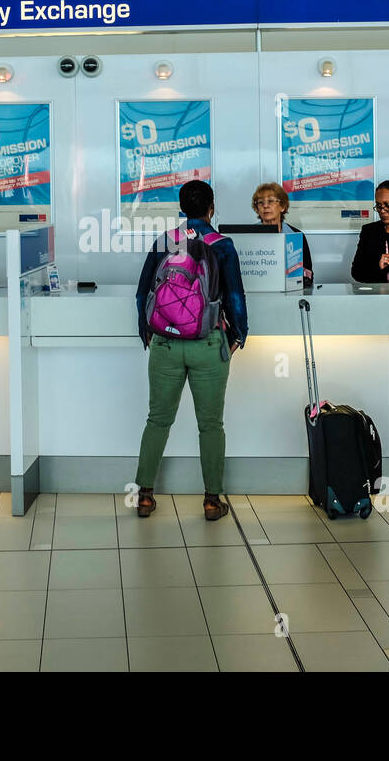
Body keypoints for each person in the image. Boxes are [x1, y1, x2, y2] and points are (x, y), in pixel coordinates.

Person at [133, 179, 247, 521]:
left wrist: (147, 333)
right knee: (211, 424)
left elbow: (142, 294)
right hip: (208, 344)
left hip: (166, 344)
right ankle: (212, 501)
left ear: (181, 208)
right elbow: (236, 296)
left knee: (157, 420)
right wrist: (238, 334)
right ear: (211, 208)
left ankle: (144, 497)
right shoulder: (222, 245)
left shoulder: (164, 241)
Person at [251, 181, 313, 286]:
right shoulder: (247, 235)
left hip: (289, 294)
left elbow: (308, 274)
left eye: (270, 201)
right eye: (260, 202)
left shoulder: (297, 236)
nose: (265, 206)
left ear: (282, 207)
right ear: (257, 209)